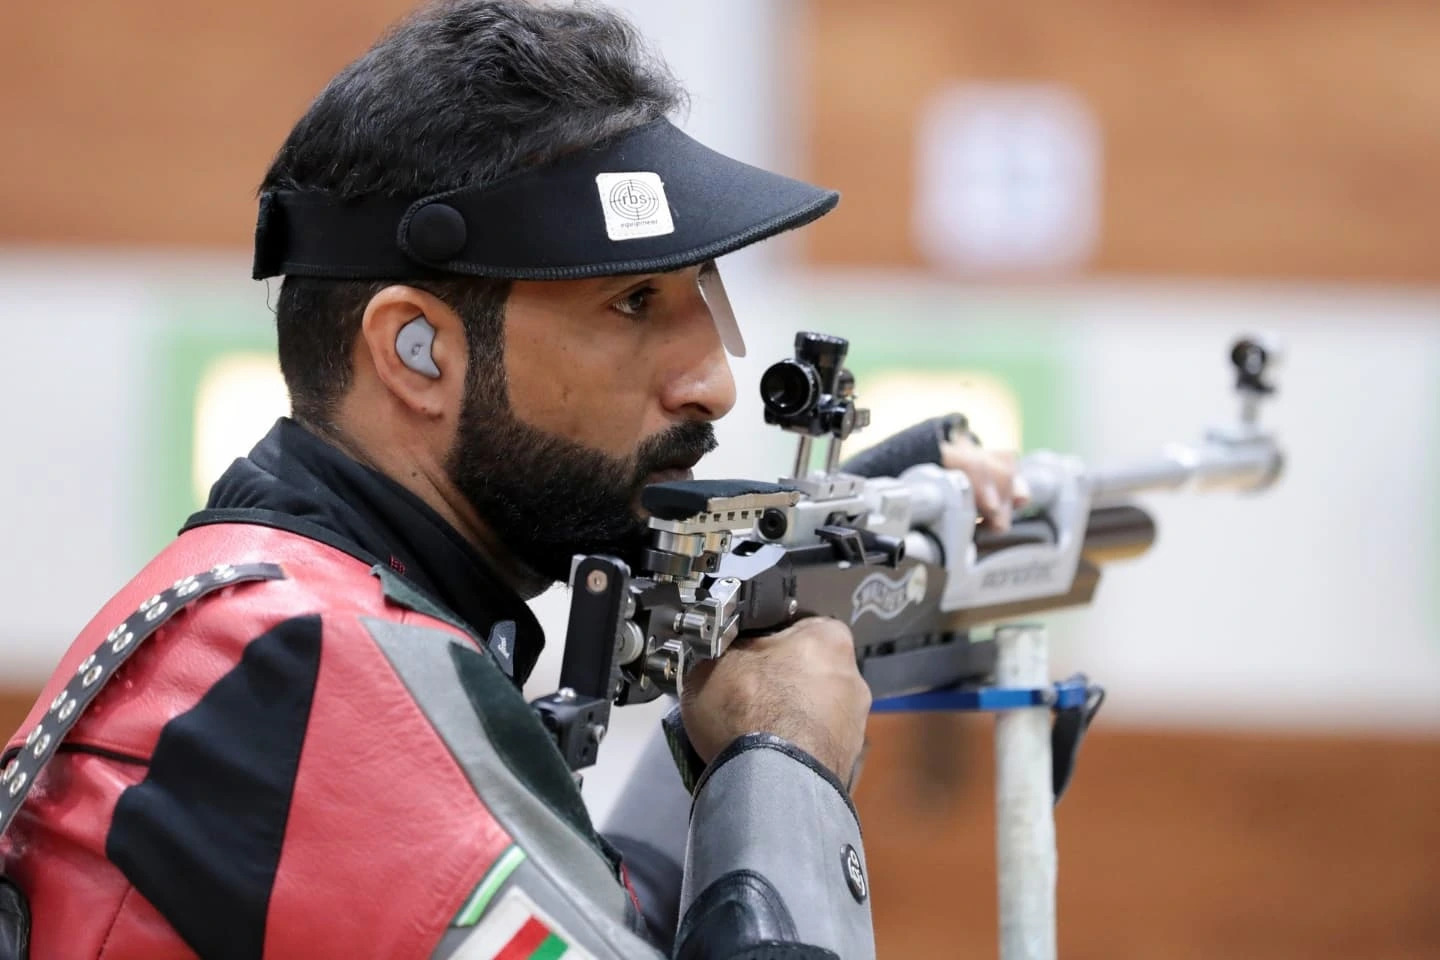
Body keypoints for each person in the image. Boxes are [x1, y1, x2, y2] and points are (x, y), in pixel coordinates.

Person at [0, 2, 1021, 958]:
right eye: (634, 302)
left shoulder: (272, 619)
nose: (713, 382)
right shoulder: (307, 669)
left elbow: (609, 915)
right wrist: (791, 767)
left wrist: (804, 592)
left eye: (702, 299)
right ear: (416, 353)